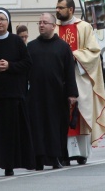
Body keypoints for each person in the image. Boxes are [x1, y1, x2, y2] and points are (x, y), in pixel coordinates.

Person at [54, 0, 105, 164]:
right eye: (56, 7)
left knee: (81, 112)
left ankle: (81, 153)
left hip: (79, 76)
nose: (57, 10)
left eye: (61, 8)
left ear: (70, 10)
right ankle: (63, 152)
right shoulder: (53, 28)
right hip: (58, 79)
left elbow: (93, 52)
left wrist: (72, 55)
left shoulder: (84, 27)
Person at [0, 8, 34, 176]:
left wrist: (9, 66)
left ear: (8, 22)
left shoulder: (16, 41)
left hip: (12, 94)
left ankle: (9, 164)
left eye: (2, 19)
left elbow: (27, 63)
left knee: (9, 133)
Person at [27, 13, 78, 170]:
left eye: (45, 22)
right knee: (37, 125)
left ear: (53, 26)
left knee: (55, 126)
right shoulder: (31, 46)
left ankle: (56, 156)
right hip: (35, 94)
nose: (41, 25)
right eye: (39, 22)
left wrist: (72, 94)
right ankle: (38, 157)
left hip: (57, 94)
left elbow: (69, 72)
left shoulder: (63, 47)